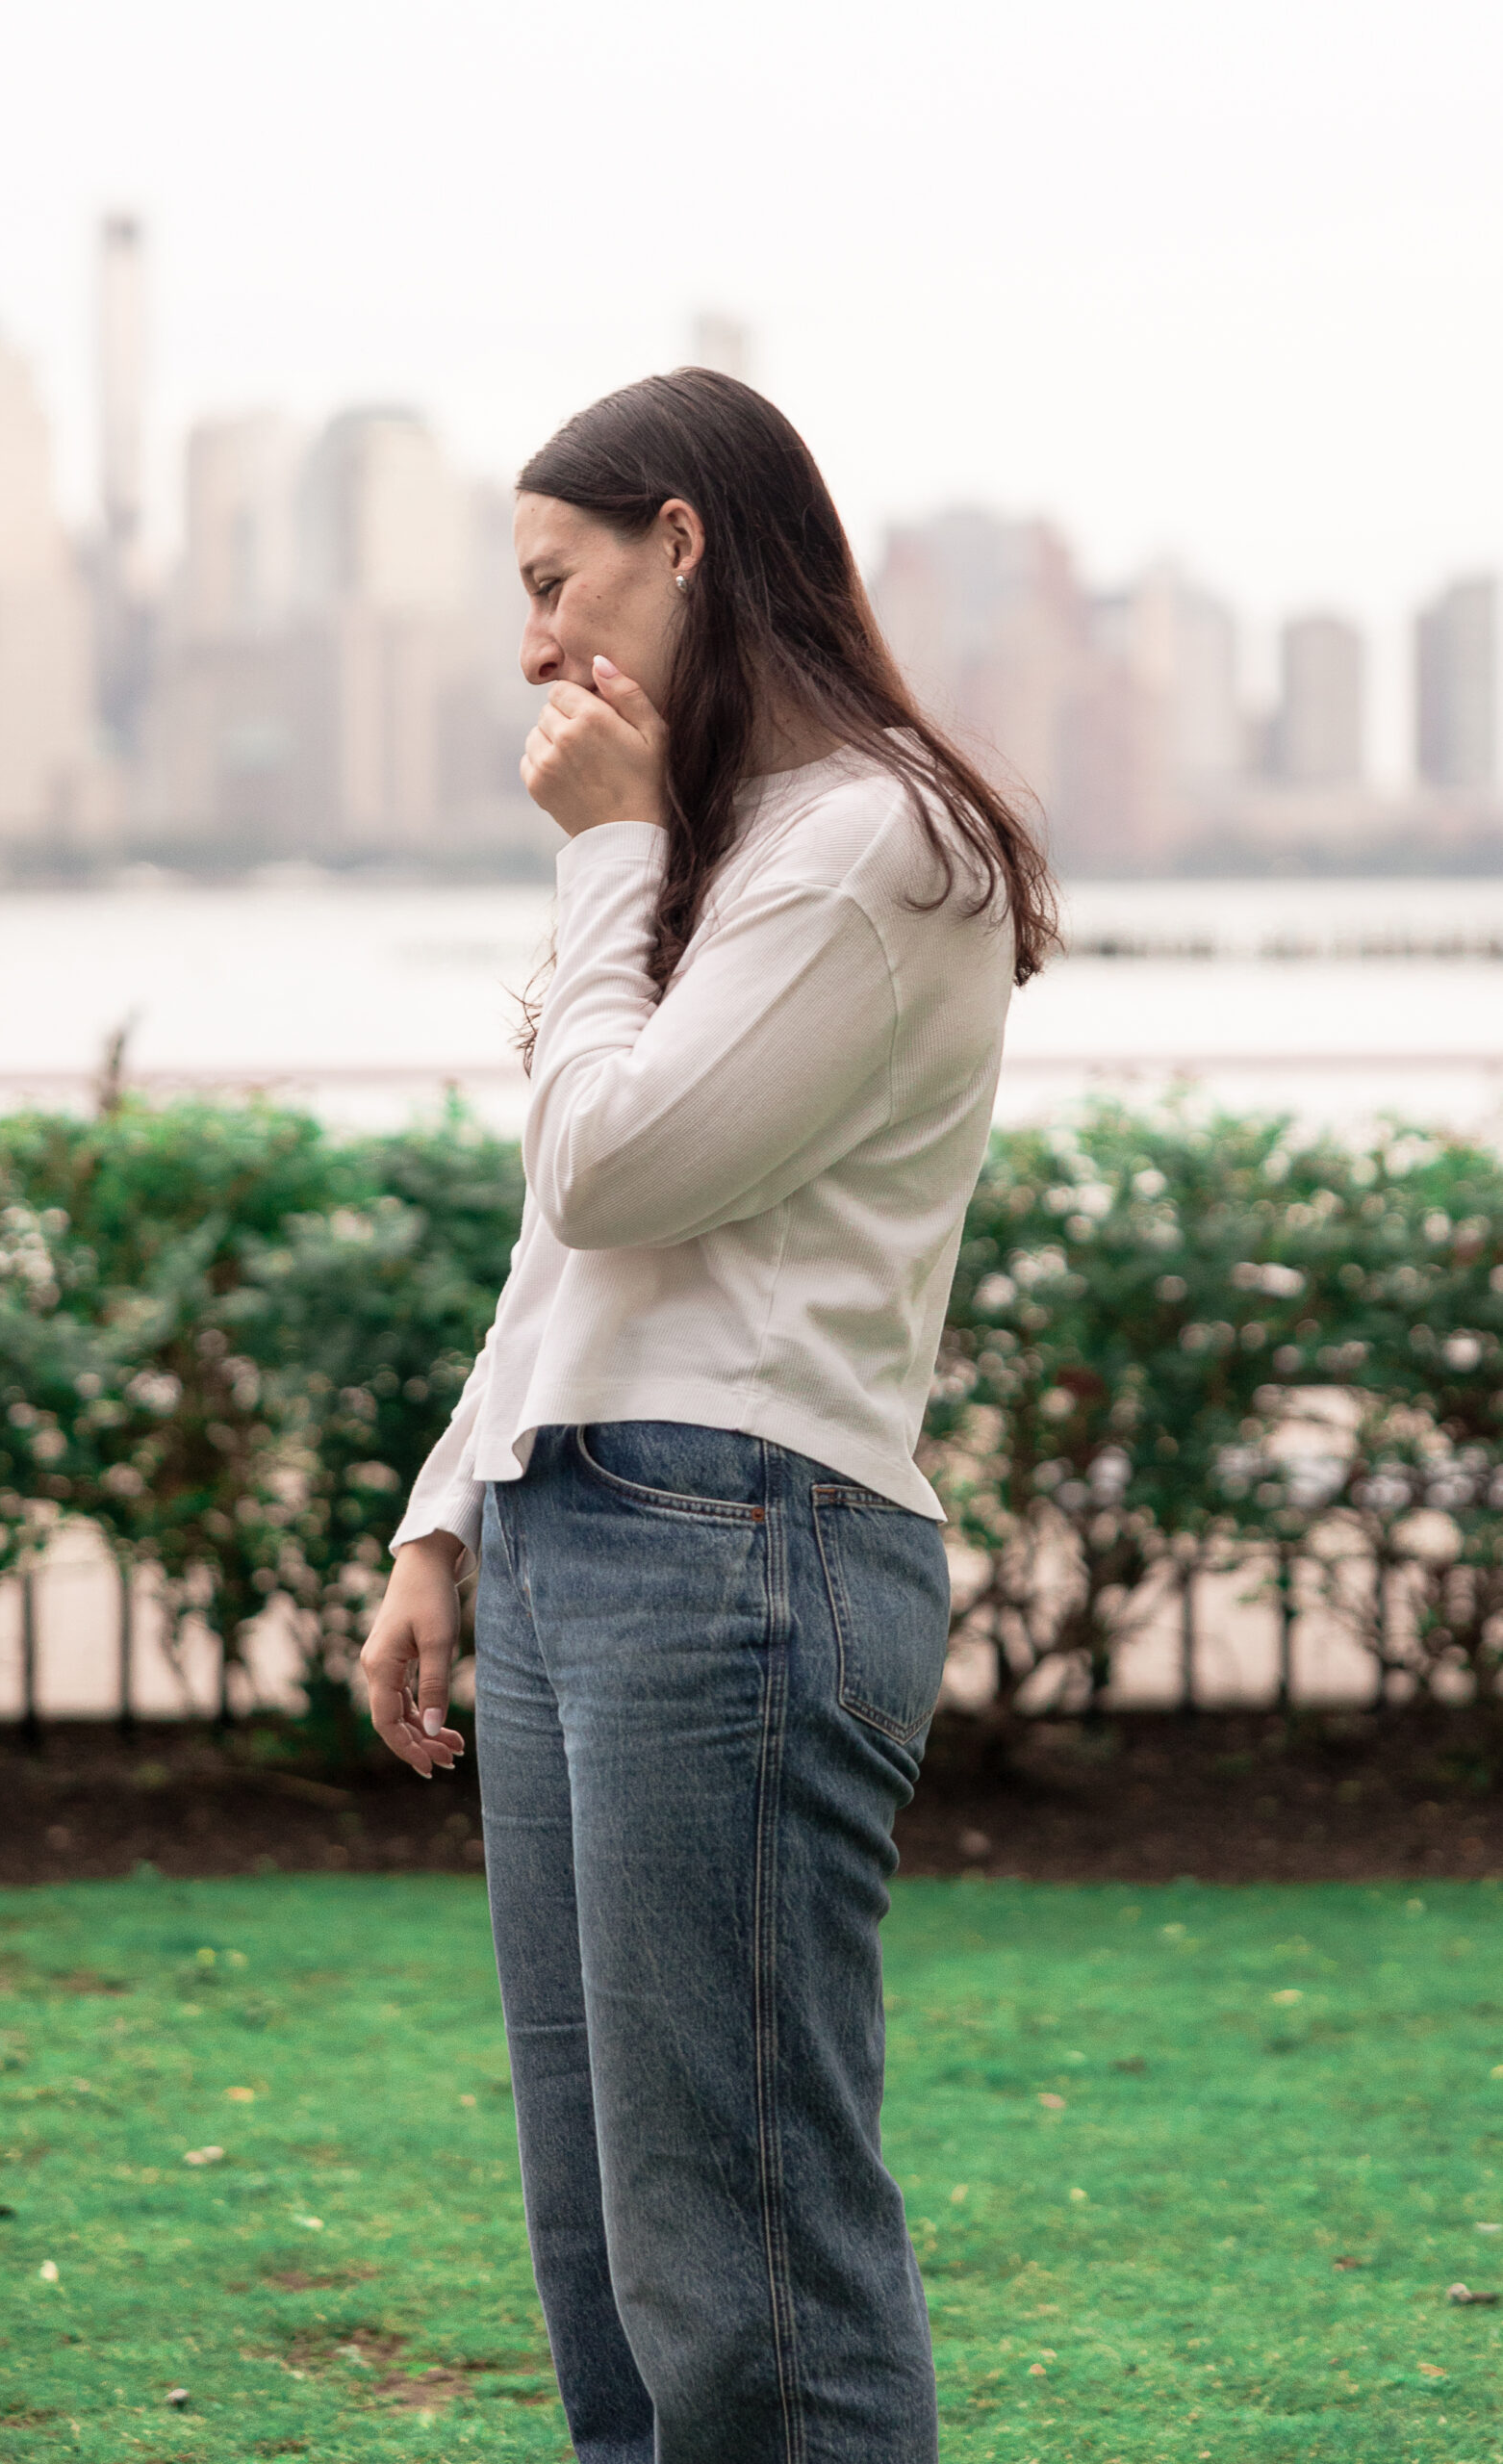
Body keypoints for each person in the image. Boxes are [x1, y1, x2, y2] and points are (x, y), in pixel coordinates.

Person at [360, 368, 1056, 2464]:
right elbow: (574, 1245)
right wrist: (444, 1519)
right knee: (610, 2265)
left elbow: (612, 1166)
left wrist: (605, 865)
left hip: (738, 1545)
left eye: (554, 579)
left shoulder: (871, 845)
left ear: (681, 539)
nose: (529, 641)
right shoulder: (722, 842)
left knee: (746, 2264)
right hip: (590, 1535)